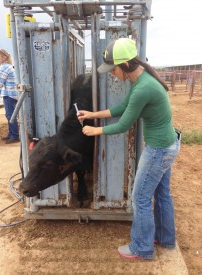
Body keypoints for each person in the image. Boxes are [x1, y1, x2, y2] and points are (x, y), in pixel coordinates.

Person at [77, 38, 180, 259]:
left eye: (112, 69)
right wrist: (92, 115)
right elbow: (122, 108)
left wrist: (95, 131)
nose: (111, 74)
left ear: (124, 65)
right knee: (162, 194)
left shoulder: (143, 87)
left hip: (159, 150)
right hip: (168, 144)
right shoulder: (141, 81)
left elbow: (124, 124)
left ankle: (141, 247)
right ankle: (165, 238)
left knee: (140, 198)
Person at [0, 49, 19, 144]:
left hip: (9, 94)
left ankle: (14, 136)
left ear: (4, 57)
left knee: (10, 115)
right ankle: (11, 134)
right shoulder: (9, 66)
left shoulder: (4, 67)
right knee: (10, 115)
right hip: (13, 93)